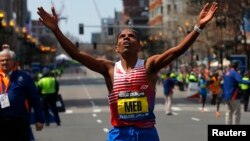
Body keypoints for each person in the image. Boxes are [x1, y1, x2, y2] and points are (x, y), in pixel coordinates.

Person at [37, 2, 218, 140]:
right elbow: (76, 54)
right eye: (122, 36)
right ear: (116, 47)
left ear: (139, 45)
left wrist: (198, 27)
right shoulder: (109, 69)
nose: (126, 38)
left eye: (131, 36)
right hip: (119, 134)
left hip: (146, 133)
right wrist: (56, 30)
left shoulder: (149, 66)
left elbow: (176, 51)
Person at [0, 48, 44, 141]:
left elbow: (35, 99)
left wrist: (39, 119)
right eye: (2, 60)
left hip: (18, 121)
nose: (4, 62)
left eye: (7, 60)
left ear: (13, 61)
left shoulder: (23, 77)